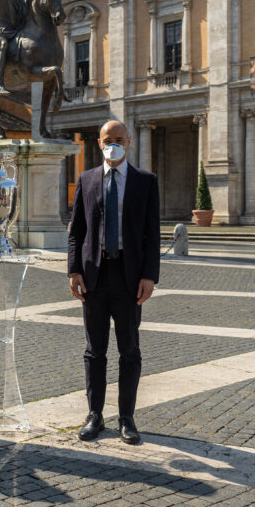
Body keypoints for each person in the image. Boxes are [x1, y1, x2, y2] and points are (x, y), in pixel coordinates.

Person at [67, 120, 160, 444]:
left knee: (129, 350)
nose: (114, 144)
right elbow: (77, 230)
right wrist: (73, 270)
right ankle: (94, 414)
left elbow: (152, 234)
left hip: (129, 276)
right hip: (94, 275)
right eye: (109, 140)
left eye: (119, 139)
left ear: (129, 142)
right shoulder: (87, 179)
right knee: (95, 351)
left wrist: (150, 275)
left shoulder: (145, 182)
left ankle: (126, 417)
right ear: (99, 142)